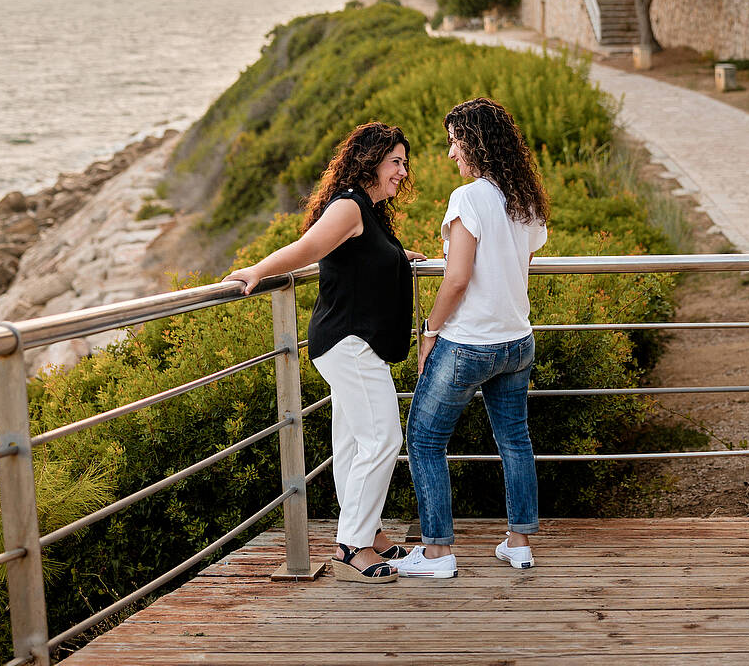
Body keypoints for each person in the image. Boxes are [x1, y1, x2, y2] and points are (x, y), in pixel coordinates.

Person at [225, 122, 425, 583]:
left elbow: (366, 257)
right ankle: (352, 545)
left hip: (354, 343)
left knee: (355, 443)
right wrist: (256, 270)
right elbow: (308, 248)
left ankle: (367, 531)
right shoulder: (349, 206)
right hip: (348, 343)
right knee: (384, 439)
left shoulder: (370, 211)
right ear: (371, 161)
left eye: (403, 163)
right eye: (396, 161)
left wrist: (402, 256)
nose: (402, 171)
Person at [390, 98, 549, 580]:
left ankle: (437, 554)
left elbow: (456, 278)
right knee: (515, 440)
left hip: (469, 344)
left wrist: (429, 331)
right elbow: (521, 261)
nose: (450, 154)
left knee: (423, 438)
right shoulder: (524, 199)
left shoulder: (468, 198)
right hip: (517, 341)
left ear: (475, 143)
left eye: (454, 142)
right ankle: (519, 544)